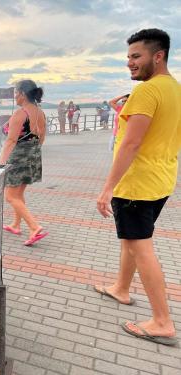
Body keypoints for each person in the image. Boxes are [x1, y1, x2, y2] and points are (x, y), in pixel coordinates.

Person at [96, 28, 180, 346]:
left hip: (136, 186)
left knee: (141, 248)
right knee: (130, 241)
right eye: (128, 56)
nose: (129, 63)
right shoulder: (175, 88)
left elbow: (130, 144)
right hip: (161, 181)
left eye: (136, 56)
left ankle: (162, 321)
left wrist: (107, 189)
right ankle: (121, 288)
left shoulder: (147, 92)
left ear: (158, 56)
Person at [0, 80, 48, 246]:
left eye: (16, 93)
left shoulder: (21, 113)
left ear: (23, 94)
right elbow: (42, 137)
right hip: (33, 156)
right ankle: (16, 225)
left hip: (18, 157)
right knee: (18, 195)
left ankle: (34, 227)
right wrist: (32, 153)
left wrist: (1, 161)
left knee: (10, 196)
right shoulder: (40, 112)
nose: (15, 97)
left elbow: (11, 140)